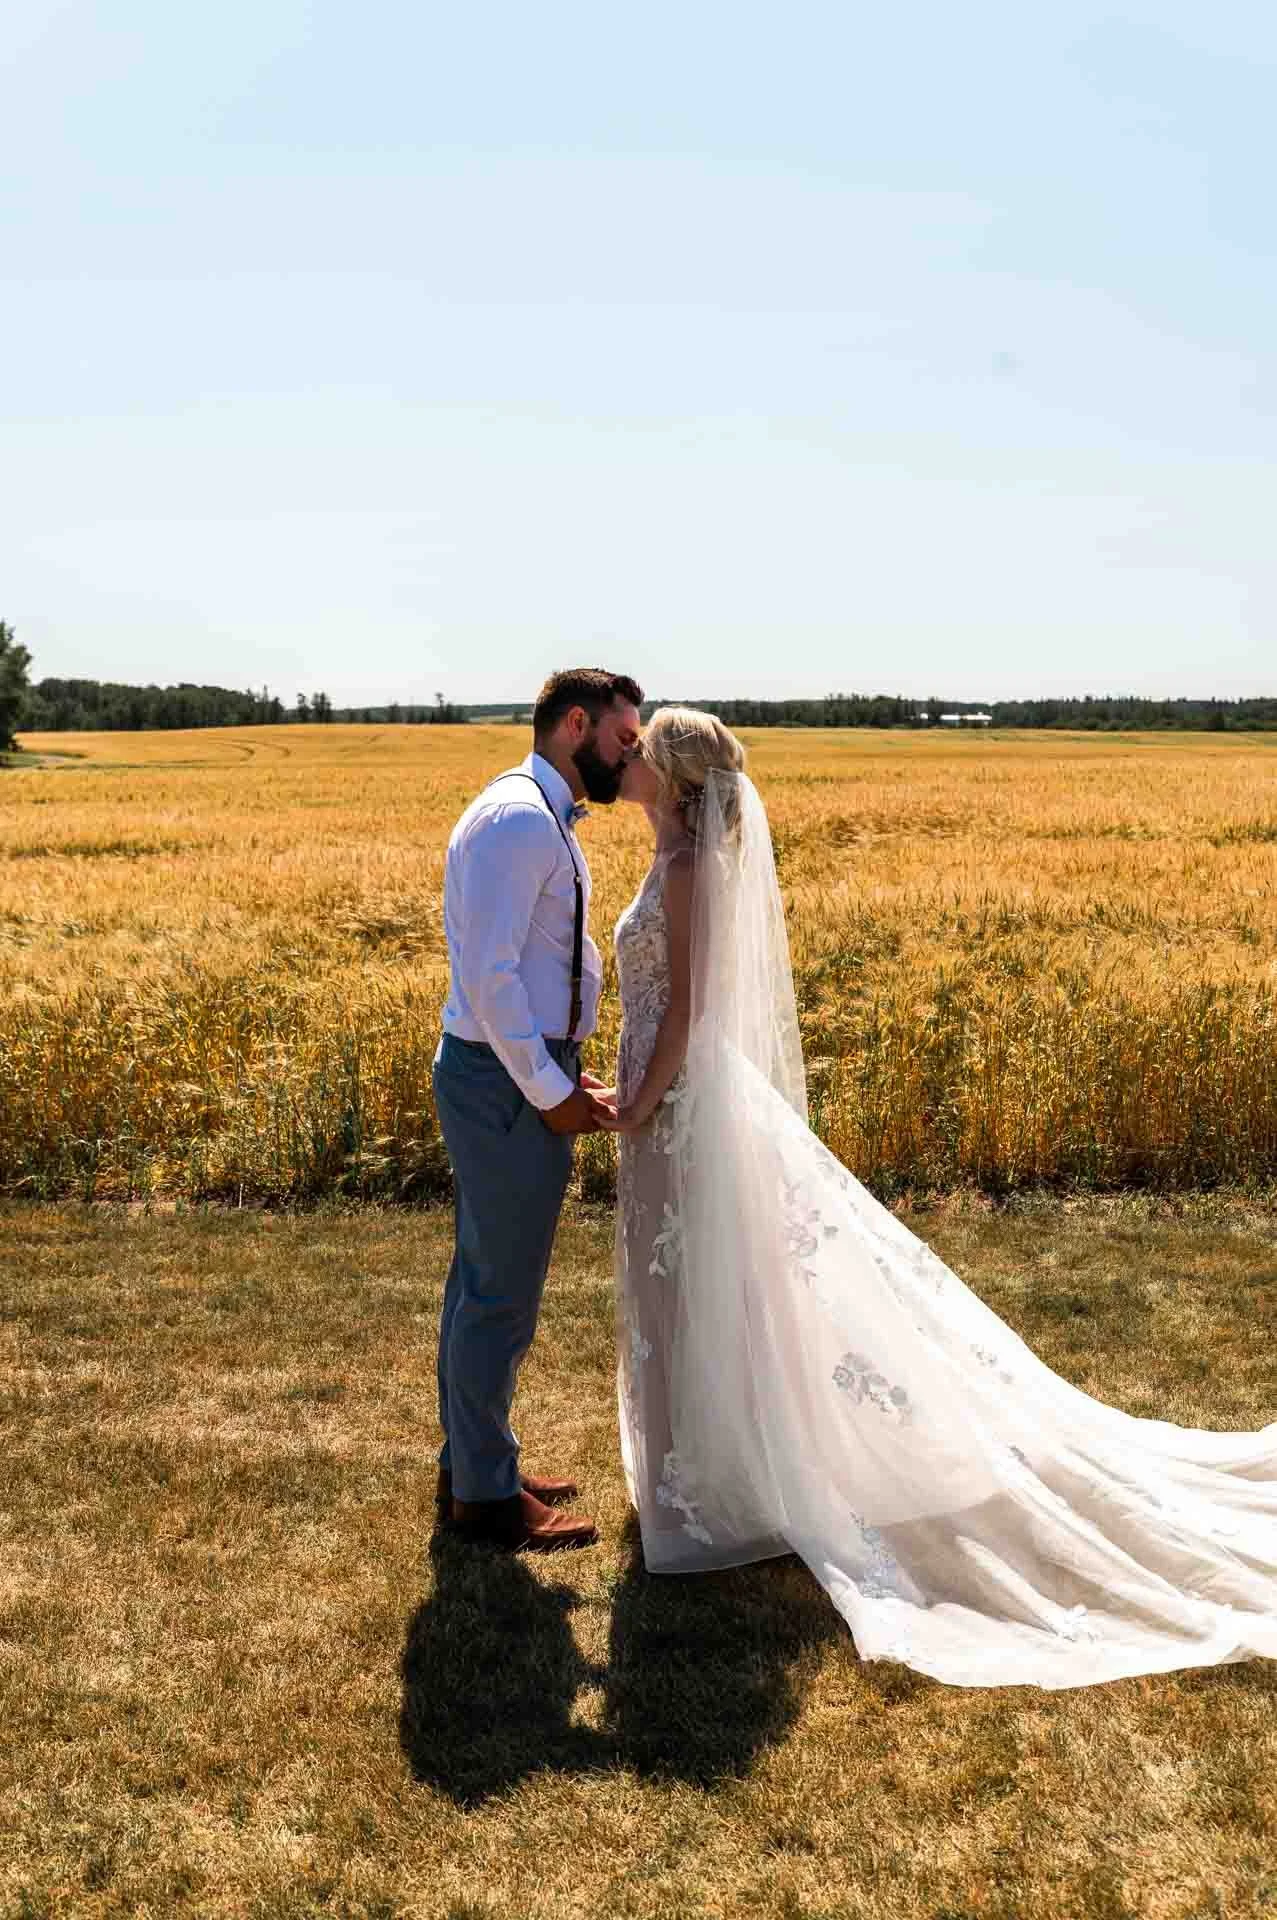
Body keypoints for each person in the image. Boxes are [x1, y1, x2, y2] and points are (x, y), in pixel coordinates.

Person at [612, 706, 1277, 1689]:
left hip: (680, 1109)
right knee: (701, 1286)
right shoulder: (671, 859)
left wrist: (634, 1102)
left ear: (668, 778)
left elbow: (691, 1013)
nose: (621, 760)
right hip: (673, 1110)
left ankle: (722, 1490)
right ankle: (707, 1482)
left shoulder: (682, 871)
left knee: (711, 1285)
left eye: (636, 751)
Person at [432, 667, 639, 1552]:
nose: (632, 753)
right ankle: (483, 1497)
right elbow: (490, 981)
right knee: (498, 1296)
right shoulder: (519, 819)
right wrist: (550, 1091)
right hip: (504, 1080)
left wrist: (564, 1066)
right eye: (624, 738)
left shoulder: (536, 811)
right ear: (576, 725)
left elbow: (536, 957)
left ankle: (476, 1462)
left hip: (512, 1073)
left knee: (481, 1282)